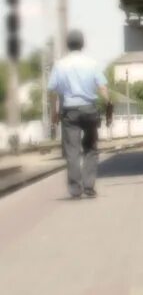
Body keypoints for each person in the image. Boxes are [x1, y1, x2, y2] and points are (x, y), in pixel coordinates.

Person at [47, 29, 110, 199]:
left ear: (67, 45)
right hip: (90, 109)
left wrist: (54, 112)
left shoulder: (60, 65)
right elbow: (103, 87)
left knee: (72, 151)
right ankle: (89, 186)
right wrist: (108, 104)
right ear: (82, 44)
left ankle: (75, 189)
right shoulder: (92, 63)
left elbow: (52, 91)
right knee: (90, 148)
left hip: (70, 112)